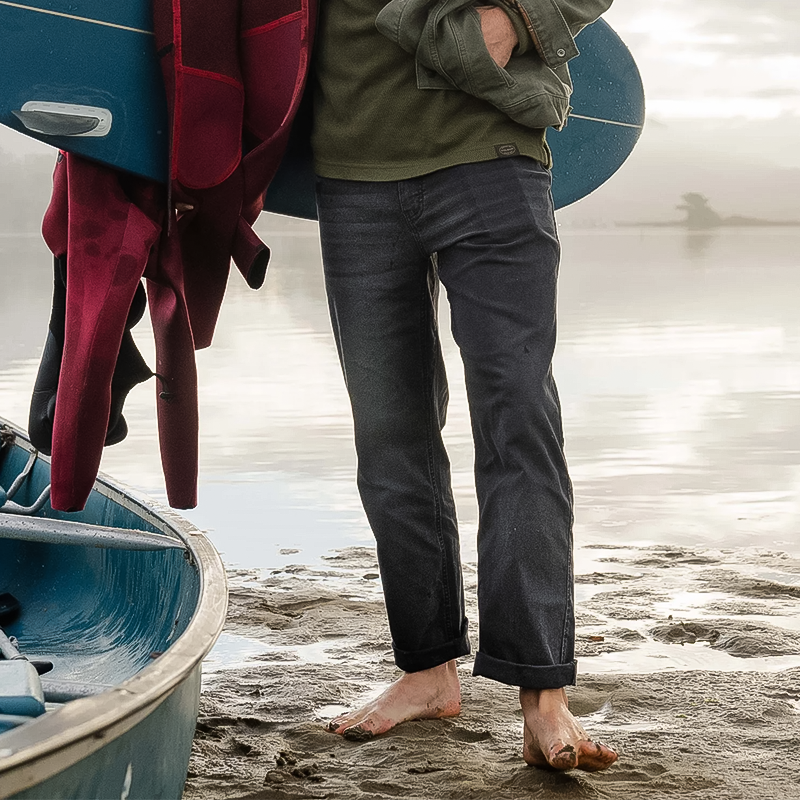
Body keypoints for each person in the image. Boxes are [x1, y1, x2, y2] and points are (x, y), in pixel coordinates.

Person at [309, 0, 619, 771]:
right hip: (351, 171)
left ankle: (543, 692)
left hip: (490, 153)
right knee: (389, 435)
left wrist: (520, 14)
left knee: (518, 423)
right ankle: (426, 671)